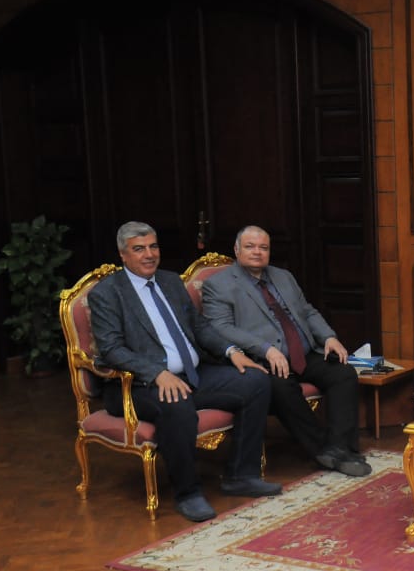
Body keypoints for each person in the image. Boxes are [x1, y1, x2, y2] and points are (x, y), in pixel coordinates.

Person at [89, 221, 281, 523]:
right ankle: (188, 493)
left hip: (192, 374)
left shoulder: (170, 281)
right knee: (176, 403)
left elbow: (200, 327)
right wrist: (157, 373)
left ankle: (241, 476)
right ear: (123, 255)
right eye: (139, 249)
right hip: (138, 386)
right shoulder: (107, 293)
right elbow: (112, 349)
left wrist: (232, 351)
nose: (149, 254)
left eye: (153, 246)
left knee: (256, 381)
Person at [201, 225, 371, 478]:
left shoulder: (283, 276)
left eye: (263, 247)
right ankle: (323, 449)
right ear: (236, 250)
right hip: (262, 360)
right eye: (250, 247)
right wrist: (266, 349)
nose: (257, 252)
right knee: (280, 388)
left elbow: (307, 311)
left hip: (302, 352)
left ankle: (339, 447)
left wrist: (329, 337)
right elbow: (221, 328)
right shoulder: (218, 285)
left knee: (343, 373)